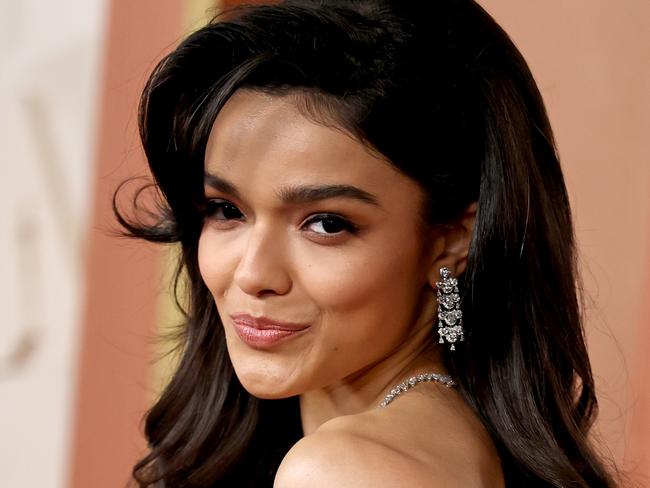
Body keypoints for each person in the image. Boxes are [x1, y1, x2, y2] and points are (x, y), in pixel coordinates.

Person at [115, 1, 619, 486]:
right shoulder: (443, 445)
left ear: (450, 240)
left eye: (327, 223)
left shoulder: (345, 471)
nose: (252, 274)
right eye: (227, 210)